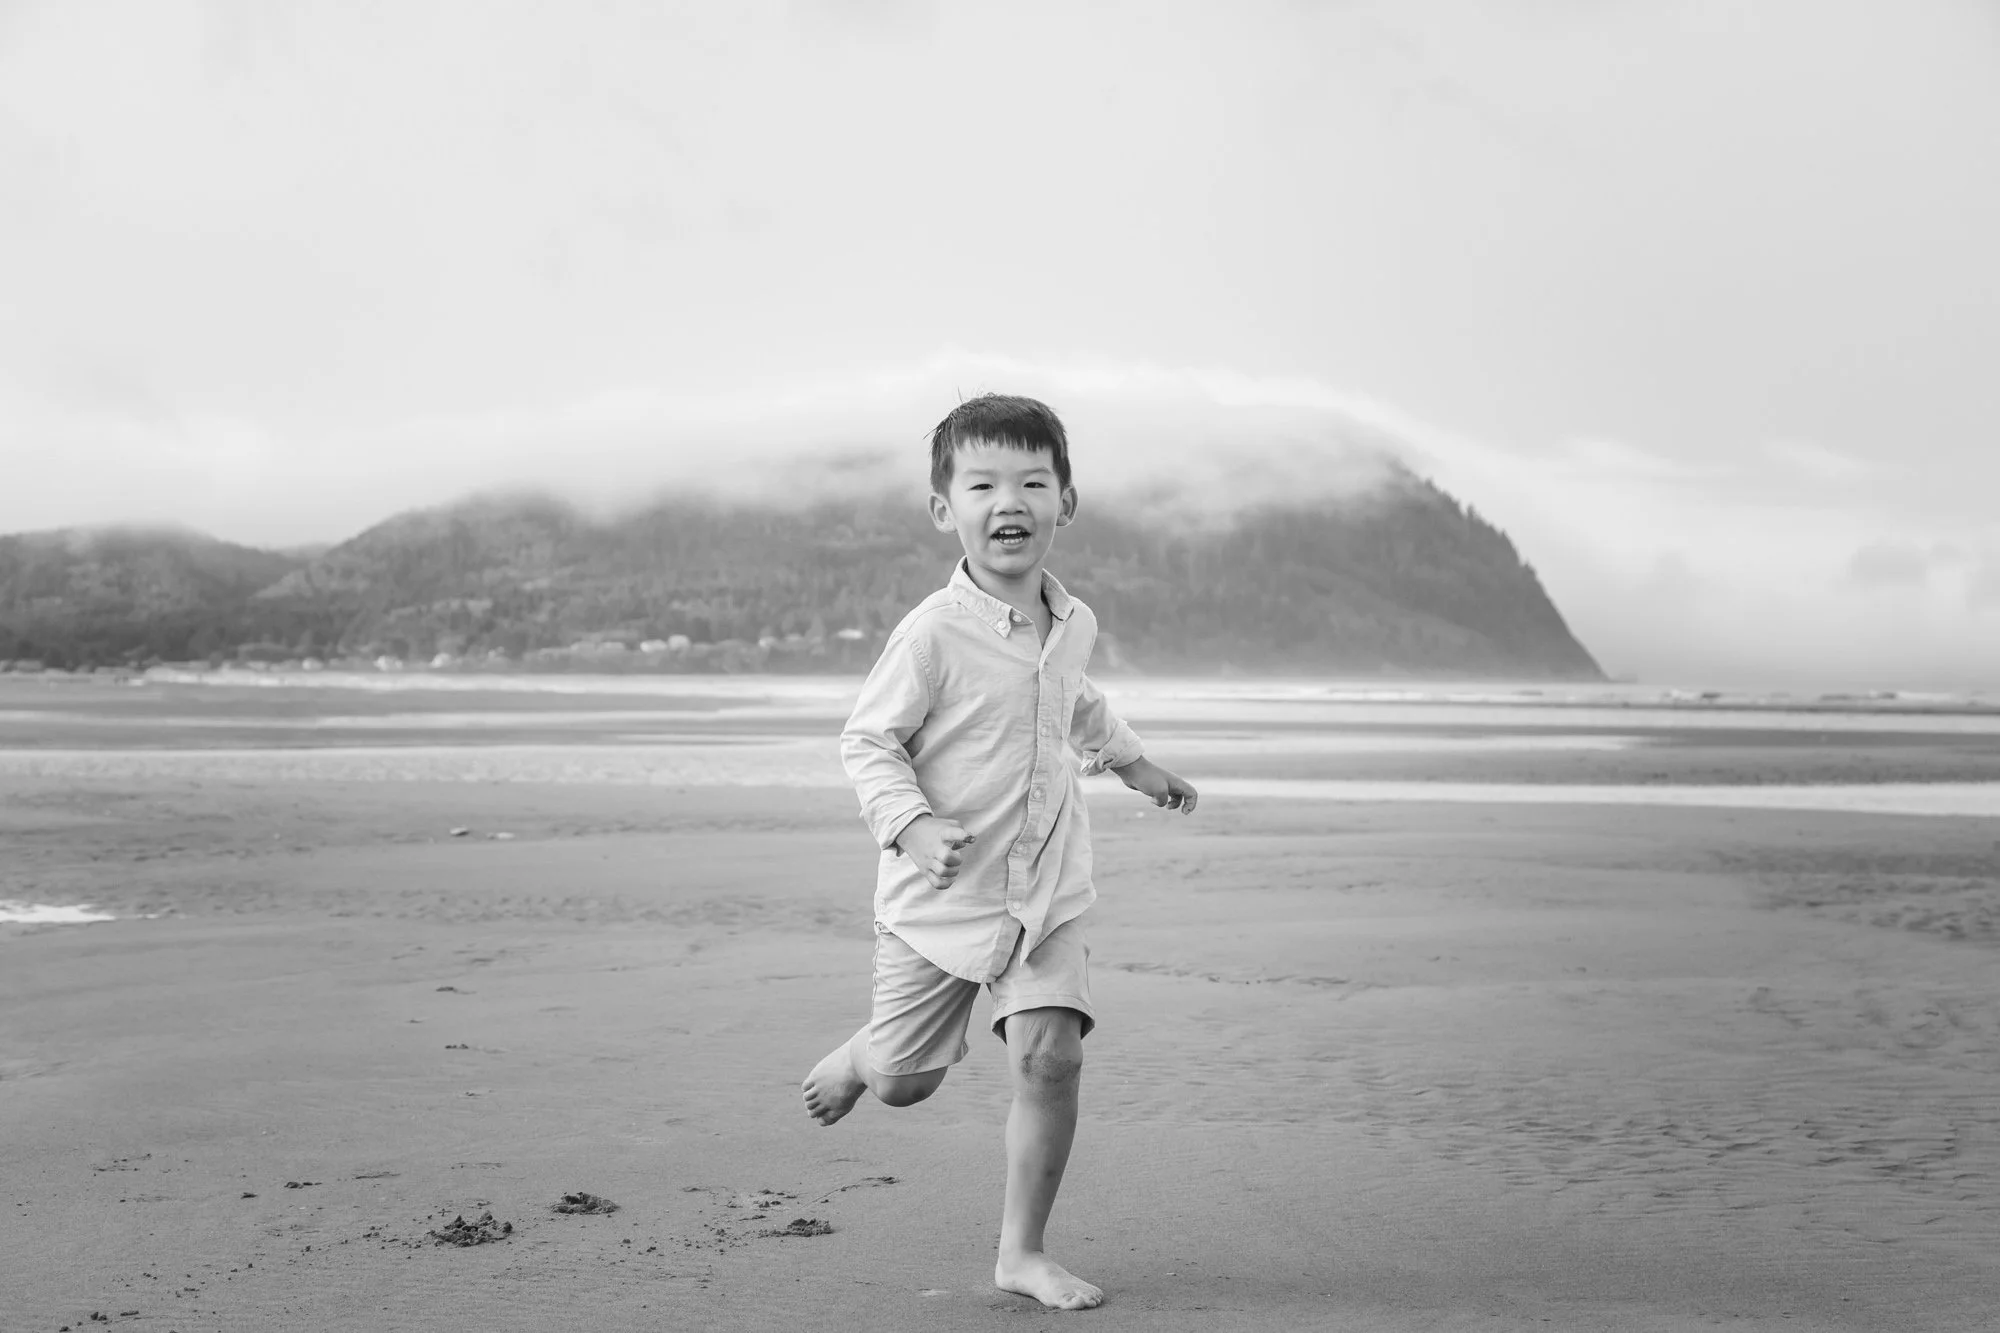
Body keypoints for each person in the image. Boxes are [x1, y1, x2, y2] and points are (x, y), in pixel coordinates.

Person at [800, 393, 1199, 1311]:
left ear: (1065, 500)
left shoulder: (1075, 624)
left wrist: (1136, 764)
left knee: (1051, 1055)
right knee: (908, 1081)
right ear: (947, 510)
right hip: (937, 902)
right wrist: (911, 823)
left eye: (1031, 480)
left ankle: (1022, 1251)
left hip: (1045, 890)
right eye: (982, 482)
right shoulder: (932, 632)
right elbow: (869, 740)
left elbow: (1076, 702)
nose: (1008, 498)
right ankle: (865, 1057)